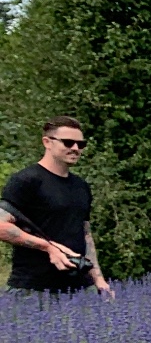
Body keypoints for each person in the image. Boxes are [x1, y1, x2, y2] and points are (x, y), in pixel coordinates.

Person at [1, 117, 113, 297]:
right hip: (33, 290)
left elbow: (85, 234)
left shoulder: (81, 186)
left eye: (80, 144)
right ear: (47, 142)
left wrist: (98, 279)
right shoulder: (26, 181)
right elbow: (1, 225)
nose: (75, 148)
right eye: (68, 142)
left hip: (80, 289)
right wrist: (48, 247)